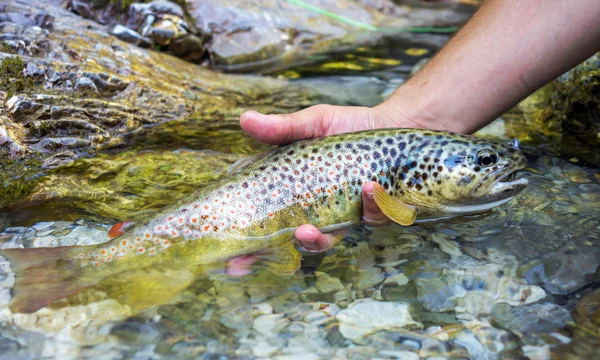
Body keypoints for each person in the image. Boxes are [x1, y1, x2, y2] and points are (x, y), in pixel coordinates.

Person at [237, 0, 600, 257]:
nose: (494, 165)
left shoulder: (411, 169)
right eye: (485, 159)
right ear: (417, 173)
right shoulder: (401, 161)